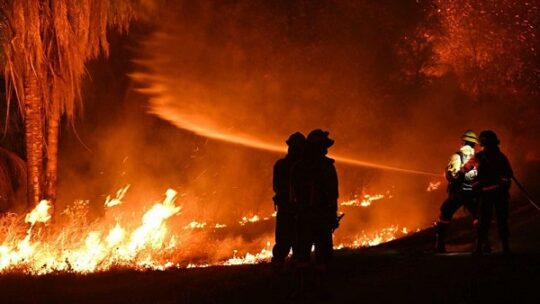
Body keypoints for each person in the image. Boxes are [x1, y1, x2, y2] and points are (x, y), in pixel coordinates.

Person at [290, 129, 339, 294]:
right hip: (321, 217)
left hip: (303, 217)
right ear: (318, 147)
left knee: (302, 254)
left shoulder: (298, 166)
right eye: (324, 146)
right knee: (323, 254)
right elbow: (332, 194)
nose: (327, 149)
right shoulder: (326, 167)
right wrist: (332, 216)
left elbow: (292, 195)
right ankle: (321, 289)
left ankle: (301, 288)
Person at [434, 130, 480, 253]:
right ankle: (481, 244)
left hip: (458, 193)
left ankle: (439, 245)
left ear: (463, 141)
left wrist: (454, 173)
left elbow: (452, 176)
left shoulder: (457, 156)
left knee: (445, 213)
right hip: (472, 193)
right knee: (478, 215)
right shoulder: (477, 157)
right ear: (474, 144)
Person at [469, 130, 513, 254]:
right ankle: (486, 247)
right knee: (489, 221)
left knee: (495, 220)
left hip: (494, 195)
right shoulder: (498, 156)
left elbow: (508, 175)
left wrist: (477, 187)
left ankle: (501, 247)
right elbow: (471, 175)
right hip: (492, 194)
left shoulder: (490, 157)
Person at [271, 132, 306, 269]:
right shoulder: (301, 167)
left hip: (288, 210)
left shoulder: (281, 165)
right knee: (291, 242)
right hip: (292, 210)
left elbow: (276, 188)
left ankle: (283, 269)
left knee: (285, 241)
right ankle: (290, 269)